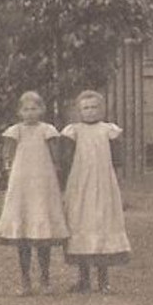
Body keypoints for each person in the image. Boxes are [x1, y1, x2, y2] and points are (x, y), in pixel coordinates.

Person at [0, 90, 69, 295]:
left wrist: (57, 167)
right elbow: (7, 155)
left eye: (34, 108)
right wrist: (8, 167)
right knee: (23, 234)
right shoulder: (15, 131)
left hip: (43, 184)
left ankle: (45, 280)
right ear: (19, 112)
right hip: (22, 184)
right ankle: (25, 281)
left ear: (42, 110)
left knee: (42, 231)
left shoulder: (47, 130)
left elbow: (56, 156)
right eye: (26, 109)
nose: (30, 113)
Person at [59, 89, 130, 293]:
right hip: (80, 185)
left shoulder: (108, 131)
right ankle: (83, 279)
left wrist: (115, 180)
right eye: (85, 108)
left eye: (94, 107)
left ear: (102, 109)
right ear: (79, 111)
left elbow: (117, 161)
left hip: (103, 185)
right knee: (80, 224)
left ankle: (103, 280)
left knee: (102, 225)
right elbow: (66, 161)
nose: (90, 111)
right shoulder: (74, 131)